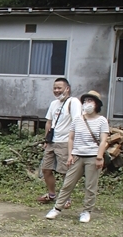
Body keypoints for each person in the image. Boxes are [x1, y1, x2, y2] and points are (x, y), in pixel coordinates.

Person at [45, 91, 109, 223]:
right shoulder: (78, 119)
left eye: (90, 101)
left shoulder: (102, 120)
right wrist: (70, 154)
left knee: (90, 185)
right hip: (77, 156)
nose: (87, 104)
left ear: (96, 104)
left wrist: (99, 157)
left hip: (92, 156)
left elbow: (103, 140)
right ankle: (57, 208)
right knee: (68, 183)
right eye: (85, 101)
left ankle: (87, 211)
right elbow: (71, 138)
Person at [37, 78, 82, 207]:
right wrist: (46, 139)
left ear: (67, 88)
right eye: (55, 88)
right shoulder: (53, 104)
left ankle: (66, 198)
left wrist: (73, 143)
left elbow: (76, 122)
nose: (56, 90)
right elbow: (49, 122)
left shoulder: (73, 102)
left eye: (59, 88)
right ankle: (51, 194)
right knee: (46, 169)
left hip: (64, 142)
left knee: (64, 172)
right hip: (52, 142)